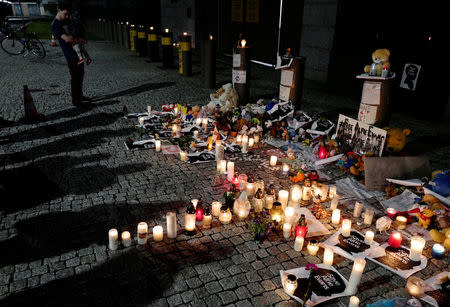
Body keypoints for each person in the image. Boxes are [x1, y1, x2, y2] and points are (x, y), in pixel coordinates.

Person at [51, 2, 92, 107]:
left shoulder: (66, 20)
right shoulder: (55, 24)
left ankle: (80, 95)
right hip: (70, 55)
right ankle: (76, 100)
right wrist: (81, 40)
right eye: (66, 14)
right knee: (75, 77)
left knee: (80, 75)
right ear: (58, 10)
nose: (67, 16)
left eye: (69, 14)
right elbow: (67, 39)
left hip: (78, 54)